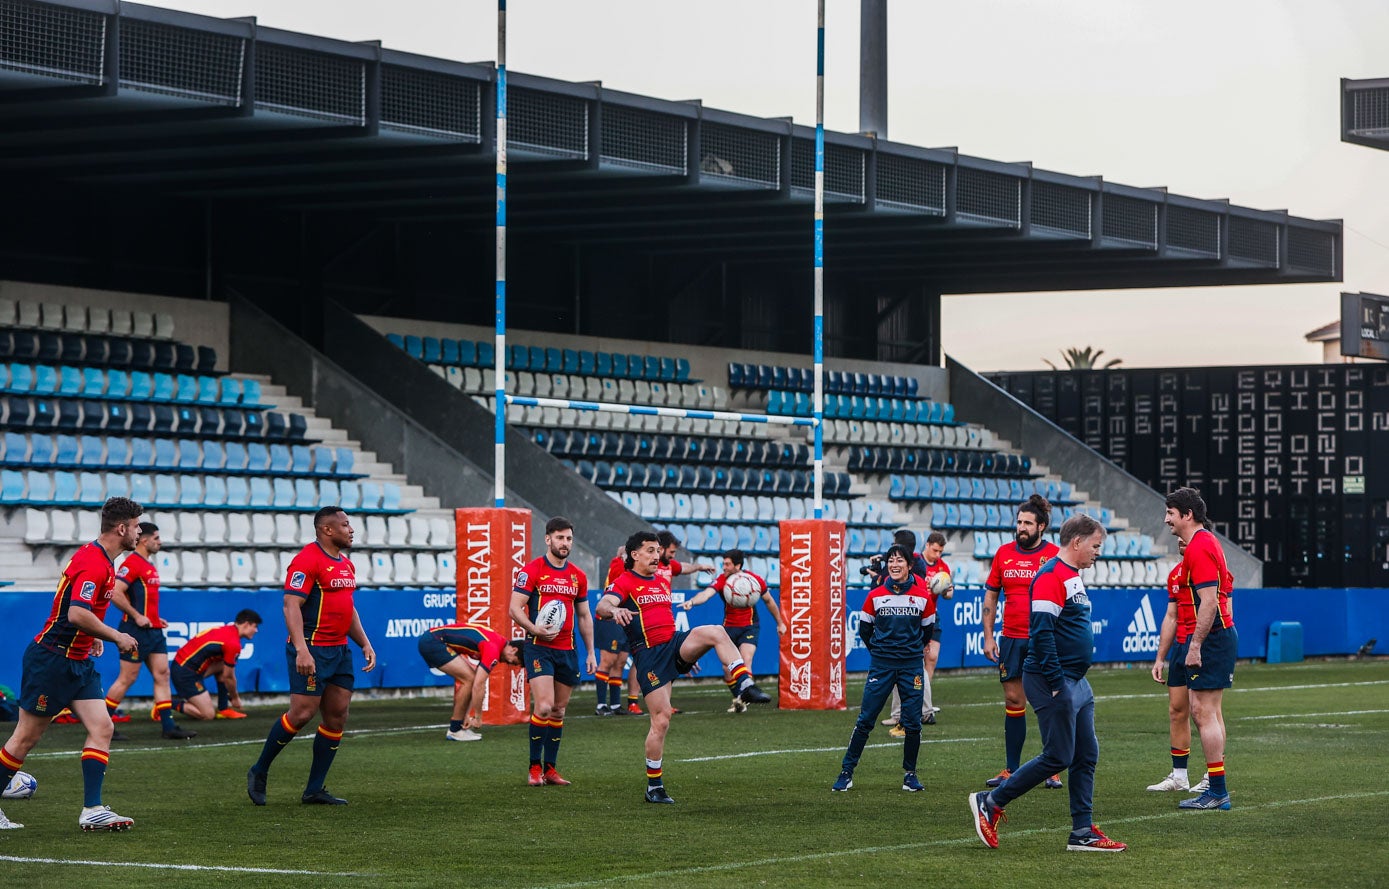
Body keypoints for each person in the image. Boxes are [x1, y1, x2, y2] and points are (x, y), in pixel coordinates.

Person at [969, 514, 1127, 852]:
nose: (1098, 553)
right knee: (1058, 756)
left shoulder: (1072, 575)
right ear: (1077, 542)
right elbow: (1040, 634)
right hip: (1052, 679)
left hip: (1076, 680)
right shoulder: (1051, 576)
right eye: (1095, 546)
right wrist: (1057, 683)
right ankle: (992, 802)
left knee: (1086, 754)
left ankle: (1082, 832)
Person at [0, 497, 145, 832]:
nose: (139, 532)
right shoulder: (95, 562)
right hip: (52, 661)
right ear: (121, 528)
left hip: (77, 662)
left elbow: (79, 610)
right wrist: (114, 636)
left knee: (103, 727)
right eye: (136, 526)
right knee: (25, 739)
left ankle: (92, 809)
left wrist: (91, 635)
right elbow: (76, 613)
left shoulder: (103, 560)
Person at [597, 531, 770, 804]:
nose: (657, 555)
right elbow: (603, 604)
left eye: (658, 551)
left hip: (673, 644)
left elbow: (666, 622)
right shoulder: (625, 581)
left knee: (714, 631)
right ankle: (654, 786)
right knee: (662, 720)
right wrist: (614, 610)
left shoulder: (659, 582)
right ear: (635, 555)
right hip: (650, 656)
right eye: (651, 551)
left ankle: (745, 683)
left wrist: (690, 652)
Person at [246, 506, 376, 807]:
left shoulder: (345, 564)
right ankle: (259, 769)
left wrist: (364, 643)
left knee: (337, 716)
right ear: (327, 530)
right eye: (345, 525)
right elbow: (290, 605)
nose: (351, 530)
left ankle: (314, 789)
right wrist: (302, 649)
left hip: (340, 649)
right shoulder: (307, 560)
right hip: (312, 648)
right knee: (302, 713)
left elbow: (348, 607)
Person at [830, 545, 934, 793]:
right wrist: (879, 651)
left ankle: (910, 775)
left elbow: (927, 630)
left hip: (911, 667)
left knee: (913, 723)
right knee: (866, 719)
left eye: (900, 560)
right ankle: (846, 772)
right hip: (882, 665)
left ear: (910, 565)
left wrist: (911, 650)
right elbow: (865, 630)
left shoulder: (922, 596)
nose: (894, 564)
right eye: (891, 560)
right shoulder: (875, 595)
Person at [981, 495, 1062, 789]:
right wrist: (989, 636)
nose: (1022, 527)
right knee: (1014, 701)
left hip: (1045, 638)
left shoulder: (1055, 555)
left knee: (1049, 702)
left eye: (1028, 523)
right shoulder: (1003, 554)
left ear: (1041, 526)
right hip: (1011, 637)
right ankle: (1011, 769)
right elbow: (991, 595)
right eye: (1019, 522)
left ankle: (1052, 766)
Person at [1165, 487, 1238, 811]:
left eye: (1170, 512)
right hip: (1217, 635)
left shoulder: (1199, 546)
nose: (1166, 519)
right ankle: (1215, 785)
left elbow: (1208, 603)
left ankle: (1217, 790)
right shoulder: (1204, 542)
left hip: (1212, 637)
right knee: (1206, 711)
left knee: (1202, 711)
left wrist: (1195, 645)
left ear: (1187, 514)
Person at [510, 516, 595, 787]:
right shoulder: (532, 570)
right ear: (548, 539)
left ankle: (551, 769)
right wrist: (533, 629)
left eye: (569, 538)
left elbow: (584, 616)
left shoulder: (578, 576)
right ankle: (534, 768)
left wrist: (591, 652)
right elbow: (514, 608)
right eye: (560, 538)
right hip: (539, 649)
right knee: (544, 706)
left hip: (567, 650)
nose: (565, 543)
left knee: (558, 710)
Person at [102, 522, 196, 740]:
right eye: (156, 538)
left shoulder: (148, 564)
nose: (160, 542)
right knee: (127, 678)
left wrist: (154, 618)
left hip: (152, 630)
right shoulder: (132, 563)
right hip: (135, 630)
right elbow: (115, 592)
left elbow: (144, 600)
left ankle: (168, 726)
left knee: (163, 674)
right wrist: (136, 615)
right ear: (144, 540)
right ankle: (104, 724)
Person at [679, 548, 788, 712]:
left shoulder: (754, 580)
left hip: (750, 627)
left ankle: (744, 698)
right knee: (727, 669)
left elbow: (770, 602)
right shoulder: (722, 580)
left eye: (727, 564)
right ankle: (739, 698)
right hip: (728, 629)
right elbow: (706, 594)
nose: (724, 567)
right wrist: (692, 602)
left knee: (746, 659)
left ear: (738, 565)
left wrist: (780, 623)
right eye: (723, 563)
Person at [886, 530, 949, 736]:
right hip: (920, 616)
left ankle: (912, 711)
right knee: (917, 664)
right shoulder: (918, 566)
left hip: (916, 617)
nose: (938, 554)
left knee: (914, 663)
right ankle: (917, 709)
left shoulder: (916, 573)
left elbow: (945, 594)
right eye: (935, 549)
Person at [416, 623, 524, 741]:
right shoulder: (493, 648)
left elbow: (477, 684)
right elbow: (478, 685)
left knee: (470, 679)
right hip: (434, 641)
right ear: (514, 650)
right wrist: (478, 717)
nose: (510, 664)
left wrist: (467, 714)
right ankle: (455, 730)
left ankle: (458, 726)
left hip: (433, 639)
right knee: (469, 680)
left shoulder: (497, 643)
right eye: (514, 662)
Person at [168, 610, 263, 720]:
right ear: (246, 624)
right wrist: (235, 698)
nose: (256, 631)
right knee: (208, 715)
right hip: (185, 673)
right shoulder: (233, 643)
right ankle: (165, 704)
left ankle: (223, 709)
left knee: (225, 665)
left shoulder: (227, 630)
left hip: (185, 666)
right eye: (255, 626)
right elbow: (229, 677)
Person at [595, 543, 641, 716]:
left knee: (621, 661)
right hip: (609, 619)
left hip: (622, 619)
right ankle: (600, 705)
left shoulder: (630, 571)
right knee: (608, 660)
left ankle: (615, 704)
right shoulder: (617, 564)